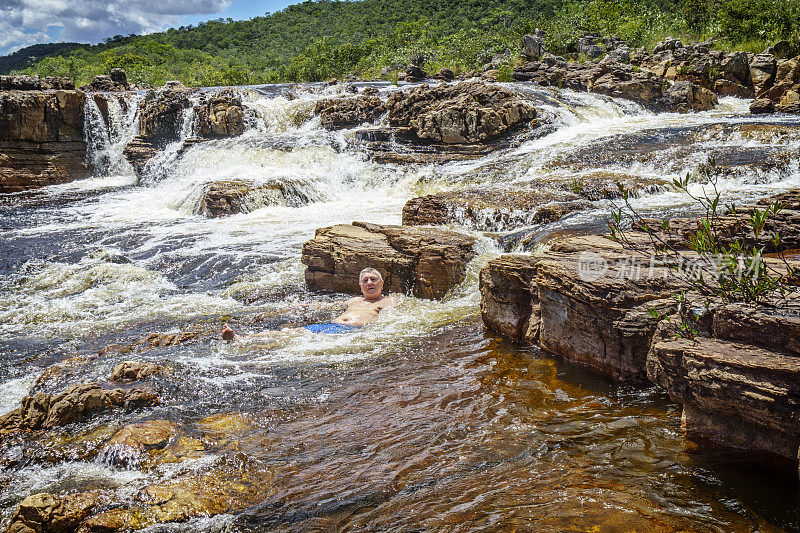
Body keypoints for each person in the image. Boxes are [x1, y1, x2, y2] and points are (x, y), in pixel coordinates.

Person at [221, 267, 395, 340]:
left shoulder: (389, 301)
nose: (370, 283)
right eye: (365, 280)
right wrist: (302, 306)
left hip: (351, 332)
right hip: (330, 326)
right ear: (360, 285)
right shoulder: (354, 300)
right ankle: (240, 339)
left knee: (295, 338)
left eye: (374, 280)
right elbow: (328, 306)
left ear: (381, 283)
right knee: (289, 333)